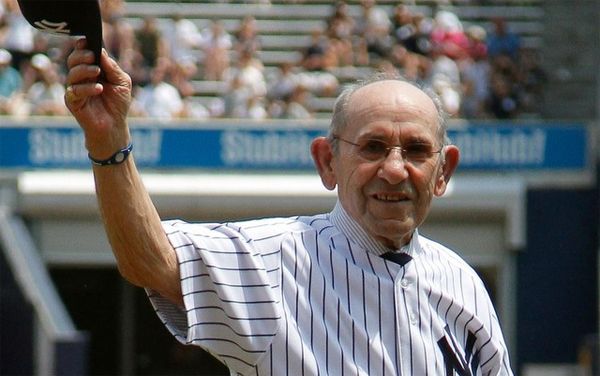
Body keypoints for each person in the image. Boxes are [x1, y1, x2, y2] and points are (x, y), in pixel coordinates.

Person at [64, 39, 513, 375]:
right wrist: (109, 141)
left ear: (442, 171)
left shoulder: (461, 283)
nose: (394, 169)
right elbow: (149, 259)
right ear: (327, 161)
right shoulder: (275, 261)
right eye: (373, 147)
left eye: (415, 150)